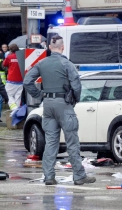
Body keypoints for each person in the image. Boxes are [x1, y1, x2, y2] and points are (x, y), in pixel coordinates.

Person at [23, 35, 96, 185]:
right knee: (72, 142)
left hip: (48, 105)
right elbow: (76, 85)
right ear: (63, 47)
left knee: (50, 142)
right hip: (64, 104)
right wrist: (74, 100)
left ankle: (49, 177)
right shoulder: (66, 64)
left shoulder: (42, 63)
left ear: (49, 47)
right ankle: (79, 176)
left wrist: (39, 95)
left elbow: (27, 81)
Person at [3, 44, 23, 113]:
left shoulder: (9, 57)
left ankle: (14, 109)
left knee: (8, 95)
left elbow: (4, 64)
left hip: (11, 80)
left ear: (10, 49)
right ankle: (17, 112)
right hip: (20, 80)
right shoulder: (22, 57)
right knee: (18, 97)